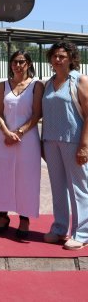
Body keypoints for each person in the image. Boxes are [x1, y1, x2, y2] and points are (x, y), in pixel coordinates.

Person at [0, 50, 43, 238]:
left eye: (21, 61)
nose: (17, 65)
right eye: (14, 62)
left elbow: (37, 114)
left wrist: (19, 132)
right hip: (4, 137)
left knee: (26, 177)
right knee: (3, 175)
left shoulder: (36, 86)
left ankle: (24, 218)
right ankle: (3, 216)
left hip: (27, 138)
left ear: (28, 63)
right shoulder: (3, 85)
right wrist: (6, 132)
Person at [41, 42, 88, 250]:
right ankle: (60, 228)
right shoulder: (48, 83)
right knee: (58, 188)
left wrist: (84, 145)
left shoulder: (80, 80)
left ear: (71, 58)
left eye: (62, 56)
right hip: (51, 141)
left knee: (79, 188)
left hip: (74, 141)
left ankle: (82, 233)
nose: (57, 59)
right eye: (54, 56)